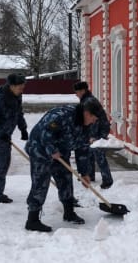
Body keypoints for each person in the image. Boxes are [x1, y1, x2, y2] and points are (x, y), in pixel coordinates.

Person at [24, 98, 103, 232]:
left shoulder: (87, 126)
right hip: (40, 150)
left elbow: (82, 150)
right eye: (94, 118)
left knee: (66, 179)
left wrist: (84, 173)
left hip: (61, 151)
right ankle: (32, 220)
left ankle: (69, 212)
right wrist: (52, 150)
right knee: (41, 183)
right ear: (87, 113)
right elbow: (45, 133)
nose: (94, 121)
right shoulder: (61, 115)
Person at [0, 73, 29, 203]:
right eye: (20, 87)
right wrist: (0, 133)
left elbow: (18, 113)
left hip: (6, 134)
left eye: (23, 87)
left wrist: (23, 128)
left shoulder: (17, 96)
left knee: (1, 164)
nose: (22, 90)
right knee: (1, 164)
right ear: (11, 86)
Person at [73, 81, 114, 189]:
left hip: (99, 130)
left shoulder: (88, 102)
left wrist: (93, 136)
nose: (76, 94)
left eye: (77, 92)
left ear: (83, 91)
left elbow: (94, 120)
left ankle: (107, 180)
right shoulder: (86, 100)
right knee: (89, 152)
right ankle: (90, 175)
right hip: (95, 130)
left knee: (98, 154)